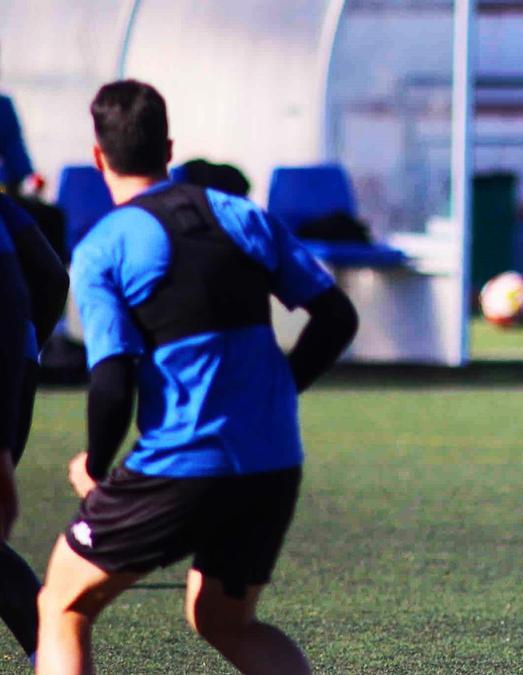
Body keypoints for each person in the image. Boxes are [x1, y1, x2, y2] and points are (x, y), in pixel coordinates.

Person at [35, 80, 359, 674]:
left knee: (61, 604)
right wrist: (283, 387)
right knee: (224, 620)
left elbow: (112, 379)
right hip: (272, 461)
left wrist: (96, 467)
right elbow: (337, 316)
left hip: (182, 465)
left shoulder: (104, 246)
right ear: (169, 148)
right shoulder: (242, 216)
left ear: (99, 157)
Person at [0, 194, 69, 665]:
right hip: (15, 369)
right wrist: (28, 351)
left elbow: (18, 290)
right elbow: (50, 276)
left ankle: (54, 652)